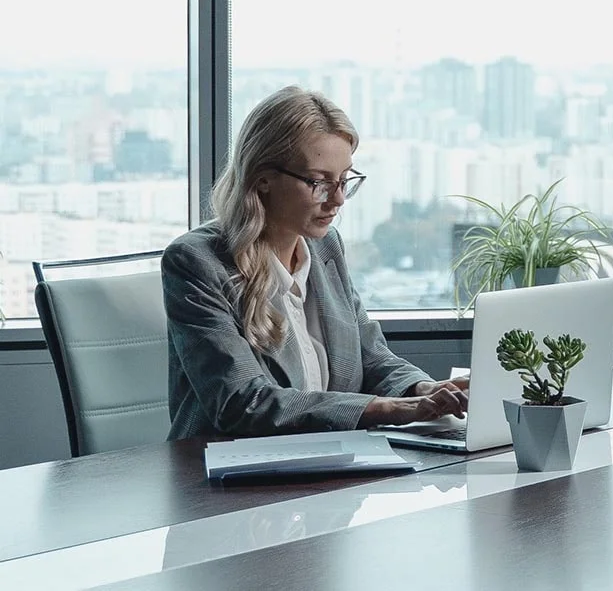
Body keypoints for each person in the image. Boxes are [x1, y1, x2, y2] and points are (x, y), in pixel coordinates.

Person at [162, 85, 468, 439]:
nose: (338, 199)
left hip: (329, 463)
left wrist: (423, 390)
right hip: (225, 479)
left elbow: (371, 358)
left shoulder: (325, 248)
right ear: (262, 179)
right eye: (319, 182)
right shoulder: (196, 262)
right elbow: (243, 403)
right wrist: (384, 410)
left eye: (345, 180)